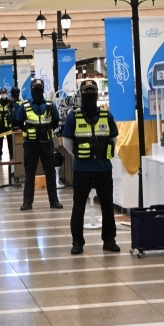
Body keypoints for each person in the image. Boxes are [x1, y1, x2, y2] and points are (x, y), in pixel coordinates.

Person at [62, 80, 120, 254]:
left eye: (92, 92)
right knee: (78, 205)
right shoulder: (74, 116)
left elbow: (114, 139)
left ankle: (109, 240)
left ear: (96, 94)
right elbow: (67, 143)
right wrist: (81, 155)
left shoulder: (106, 116)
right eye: (86, 92)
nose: (90, 94)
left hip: (103, 167)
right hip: (82, 169)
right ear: (81, 94)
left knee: (107, 205)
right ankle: (77, 242)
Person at [13, 79, 63, 210]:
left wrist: (46, 130)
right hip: (31, 144)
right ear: (31, 89)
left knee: (50, 173)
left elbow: (56, 121)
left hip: (47, 143)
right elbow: (19, 122)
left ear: (43, 89)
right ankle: (27, 202)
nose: (38, 90)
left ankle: (54, 201)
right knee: (29, 173)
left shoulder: (49, 105)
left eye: (40, 87)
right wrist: (30, 131)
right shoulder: (25, 105)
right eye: (35, 88)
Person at [0, 88, 13, 160]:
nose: (4, 94)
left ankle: (11, 155)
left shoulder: (10, 102)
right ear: (1, 93)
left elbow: (12, 111)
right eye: (2, 93)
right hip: (0, 124)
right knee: (0, 140)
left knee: (10, 141)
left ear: (6, 93)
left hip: (8, 124)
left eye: (5, 93)